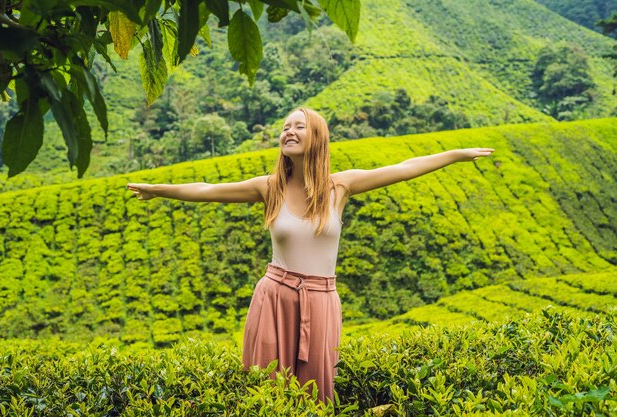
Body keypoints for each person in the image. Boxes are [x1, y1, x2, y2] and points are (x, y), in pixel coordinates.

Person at [127, 107, 494, 402]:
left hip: (320, 300)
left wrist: (456, 154)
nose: (289, 131)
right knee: (267, 392)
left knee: (316, 393)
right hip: (274, 297)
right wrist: (159, 189)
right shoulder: (269, 188)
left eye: (299, 126)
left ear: (317, 136)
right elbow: (208, 190)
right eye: (286, 127)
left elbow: (402, 170)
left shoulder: (340, 187)